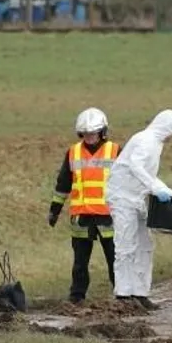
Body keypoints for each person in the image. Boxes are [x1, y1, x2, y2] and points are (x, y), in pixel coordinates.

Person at [105, 109, 172, 310]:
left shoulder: (155, 143)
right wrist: (155, 187)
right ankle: (123, 294)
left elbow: (146, 173)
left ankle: (140, 292)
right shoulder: (145, 140)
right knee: (125, 244)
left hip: (137, 198)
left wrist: (163, 188)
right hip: (122, 196)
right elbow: (135, 166)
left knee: (145, 245)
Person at [49, 107, 118, 304]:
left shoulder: (115, 151)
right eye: (85, 134)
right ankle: (77, 296)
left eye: (93, 133)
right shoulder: (73, 152)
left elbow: (126, 181)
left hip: (108, 215)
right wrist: (54, 210)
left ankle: (121, 293)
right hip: (82, 216)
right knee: (80, 262)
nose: (89, 137)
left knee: (115, 258)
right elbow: (63, 184)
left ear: (102, 132)